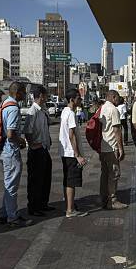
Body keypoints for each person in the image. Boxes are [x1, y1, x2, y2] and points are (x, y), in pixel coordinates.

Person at [0, 82, 32, 227]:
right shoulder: (12, 108)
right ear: (18, 93)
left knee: (8, 184)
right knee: (11, 186)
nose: (24, 96)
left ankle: (4, 214)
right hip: (10, 151)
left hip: (3, 150)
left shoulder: (3, 105)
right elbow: (11, 134)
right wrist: (21, 141)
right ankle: (13, 218)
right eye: (23, 93)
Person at [23, 85, 54, 217]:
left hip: (44, 148)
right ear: (41, 95)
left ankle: (43, 203)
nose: (47, 98)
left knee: (46, 178)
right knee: (36, 180)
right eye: (46, 95)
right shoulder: (32, 111)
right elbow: (27, 131)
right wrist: (32, 145)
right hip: (36, 150)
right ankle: (34, 206)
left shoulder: (42, 110)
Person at [59, 89, 88, 217]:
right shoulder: (70, 113)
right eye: (78, 98)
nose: (80, 100)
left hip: (65, 152)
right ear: (72, 100)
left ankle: (69, 206)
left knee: (67, 180)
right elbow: (71, 135)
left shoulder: (65, 111)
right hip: (71, 153)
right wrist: (78, 155)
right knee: (71, 181)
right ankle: (70, 210)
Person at [99, 90, 127, 209]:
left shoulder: (102, 108)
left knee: (104, 174)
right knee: (114, 174)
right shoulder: (113, 110)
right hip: (111, 147)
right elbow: (117, 130)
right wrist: (121, 148)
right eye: (118, 98)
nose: (118, 100)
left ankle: (104, 199)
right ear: (114, 97)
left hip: (102, 146)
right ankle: (112, 201)